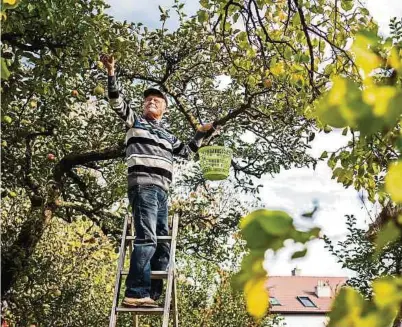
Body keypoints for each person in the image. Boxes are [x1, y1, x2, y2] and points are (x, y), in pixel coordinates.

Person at [100, 54, 215, 307]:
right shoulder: (135, 121)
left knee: (162, 244)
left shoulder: (166, 135)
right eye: (148, 100)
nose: (152, 101)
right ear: (143, 107)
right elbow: (116, 101)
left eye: (157, 100)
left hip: (162, 191)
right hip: (143, 186)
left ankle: (151, 294)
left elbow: (186, 151)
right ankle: (135, 292)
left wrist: (202, 134)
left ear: (164, 109)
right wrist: (111, 72)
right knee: (147, 238)